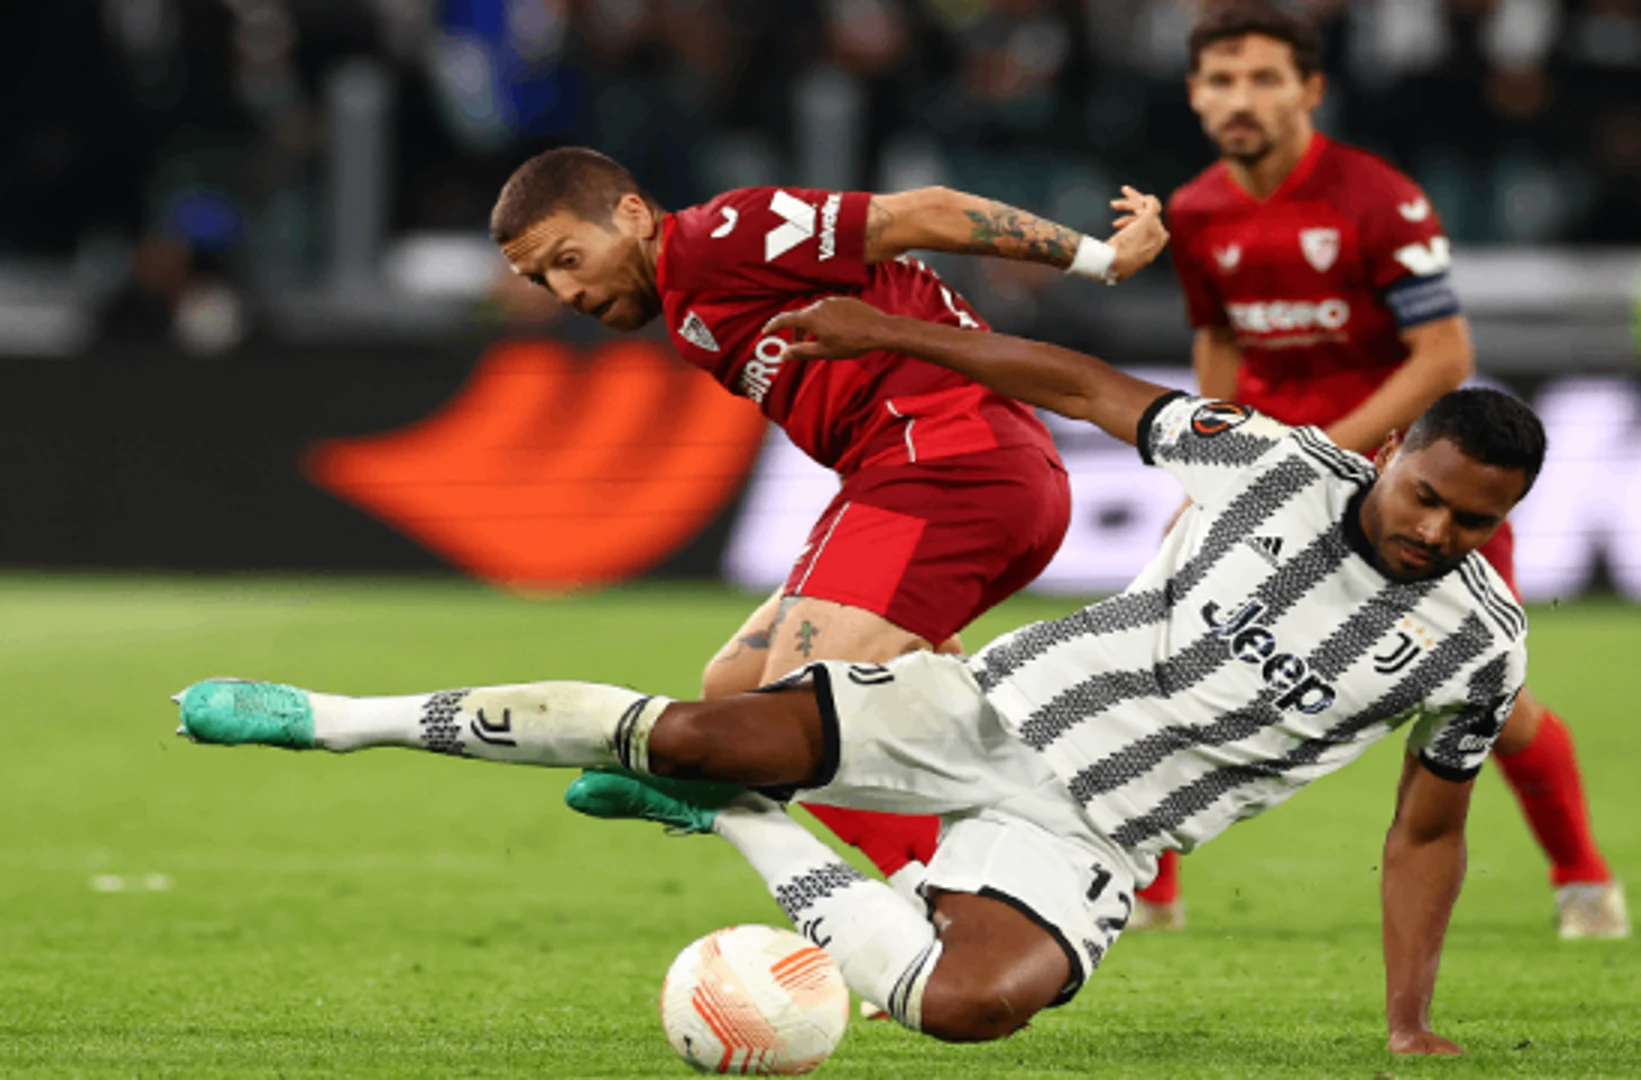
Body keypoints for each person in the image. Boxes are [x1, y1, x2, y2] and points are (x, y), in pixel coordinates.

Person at [175, 295, 1546, 1056]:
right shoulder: (1276, 464)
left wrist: (1409, 1024)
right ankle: (332, 721)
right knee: (697, 728)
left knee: (968, 1010)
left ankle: (739, 823)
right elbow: (1083, 386)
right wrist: (913, 341)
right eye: (1425, 494)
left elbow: (1426, 833)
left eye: (1471, 521)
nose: (1436, 531)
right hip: (988, 710)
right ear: (1392, 456)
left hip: (1099, 838)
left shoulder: (1479, 647)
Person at [488, 147, 1169, 899]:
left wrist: (1102, 259)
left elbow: (927, 211)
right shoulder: (687, 304)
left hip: (948, 463)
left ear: (632, 214)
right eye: (541, 279)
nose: (566, 291)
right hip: (937, 476)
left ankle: (946, 907)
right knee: (734, 688)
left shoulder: (722, 236)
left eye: (569, 260)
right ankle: (1104, 818)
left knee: (792, 715)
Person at [1150, 0, 1625, 937]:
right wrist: (1211, 467)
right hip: (1278, 482)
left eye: (1264, 78)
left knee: (1489, 703)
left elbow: (1444, 357)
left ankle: (1582, 875)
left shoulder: (1378, 200)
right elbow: (1219, 337)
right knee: (1177, 660)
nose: (1241, 98)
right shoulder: (1197, 211)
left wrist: (1330, 455)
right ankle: (1150, 894)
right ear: (1196, 95)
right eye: (1221, 80)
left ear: (1310, 90)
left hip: (1406, 486)